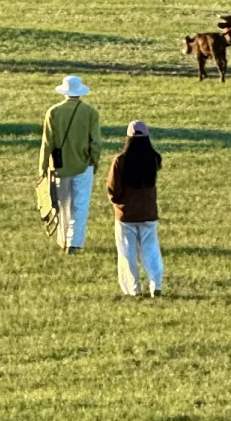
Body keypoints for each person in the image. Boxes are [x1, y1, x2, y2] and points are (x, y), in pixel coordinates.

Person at [38, 74, 102, 254]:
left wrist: (42, 167)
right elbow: (96, 142)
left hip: (59, 166)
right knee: (80, 205)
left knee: (62, 204)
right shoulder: (90, 113)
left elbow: (47, 143)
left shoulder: (53, 112)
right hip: (83, 165)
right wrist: (94, 161)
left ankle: (63, 239)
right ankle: (74, 243)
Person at [106, 120, 163, 297]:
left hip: (126, 214)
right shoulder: (154, 158)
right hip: (148, 212)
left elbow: (113, 189)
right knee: (151, 249)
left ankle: (133, 289)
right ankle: (156, 283)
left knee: (127, 252)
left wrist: (117, 202)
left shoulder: (120, 161)